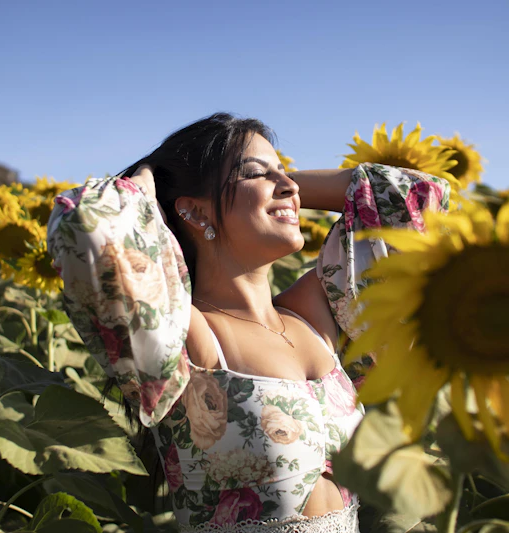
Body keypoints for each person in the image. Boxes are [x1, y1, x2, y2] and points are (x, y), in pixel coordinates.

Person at [46, 113, 450, 532]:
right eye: (256, 172)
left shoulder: (314, 315)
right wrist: (154, 180)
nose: (290, 185)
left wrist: (275, 188)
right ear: (194, 211)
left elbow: (417, 202)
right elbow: (86, 229)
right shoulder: (187, 332)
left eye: (285, 172)